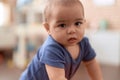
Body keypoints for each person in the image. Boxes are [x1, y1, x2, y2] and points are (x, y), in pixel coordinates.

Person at [20, 0, 103, 80]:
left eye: (77, 23)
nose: (72, 30)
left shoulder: (83, 43)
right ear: (48, 28)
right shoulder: (51, 49)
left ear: (84, 23)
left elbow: (91, 64)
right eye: (62, 25)